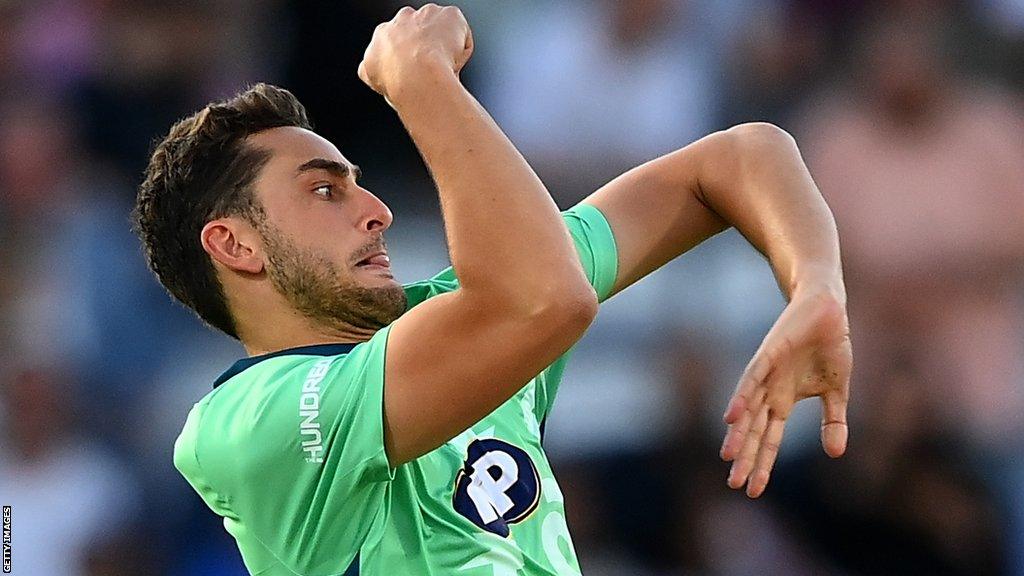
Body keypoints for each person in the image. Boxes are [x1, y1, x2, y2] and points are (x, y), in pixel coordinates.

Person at [134, 5, 851, 575]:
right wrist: (420, 78)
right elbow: (544, 297)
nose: (376, 209)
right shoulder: (243, 422)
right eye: (324, 190)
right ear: (236, 245)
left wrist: (814, 282)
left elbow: (736, 159)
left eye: (358, 182)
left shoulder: (467, 316)